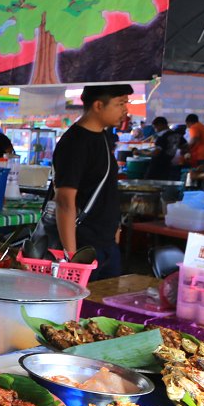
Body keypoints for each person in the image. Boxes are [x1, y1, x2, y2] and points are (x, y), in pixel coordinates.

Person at [51, 84, 130, 280]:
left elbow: (105, 188)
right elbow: (64, 201)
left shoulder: (103, 137)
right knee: (84, 308)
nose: (125, 110)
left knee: (105, 307)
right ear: (98, 105)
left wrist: (115, 227)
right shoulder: (74, 143)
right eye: (120, 104)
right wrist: (72, 257)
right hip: (83, 249)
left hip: (107, 244)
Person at [146, 116, 186, 181]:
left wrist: (145, 153)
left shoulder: (162, 136)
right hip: (169, 165)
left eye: (155, 127)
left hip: (157, 165)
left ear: (160, 125)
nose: (155, 130)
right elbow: (185, 146)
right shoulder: (177, 134)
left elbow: (156, 152)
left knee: (151, 184)